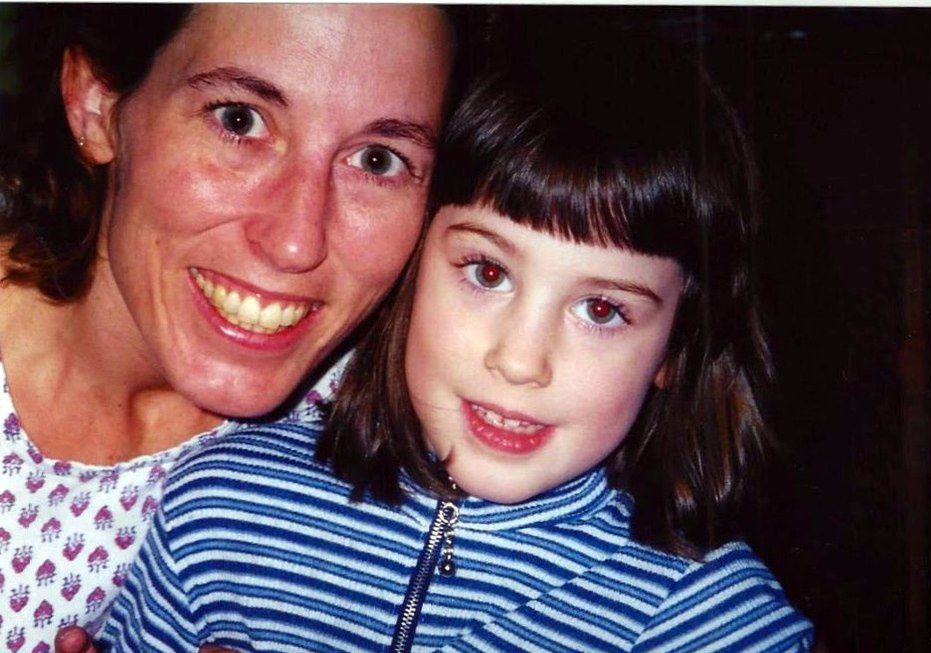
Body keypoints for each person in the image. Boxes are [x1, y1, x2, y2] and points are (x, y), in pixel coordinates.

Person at [96, 23, 815, 653]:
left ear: (676, 350)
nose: (520, 360)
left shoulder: (709, 618)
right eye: (487, 272)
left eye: (600, 310)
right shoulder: (222, 506)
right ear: (412, 267)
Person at [0, 4, 457, 649]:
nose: (296, 242)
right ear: (97, 106)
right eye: (239, 120)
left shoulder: (418, 426)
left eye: (378, 160)